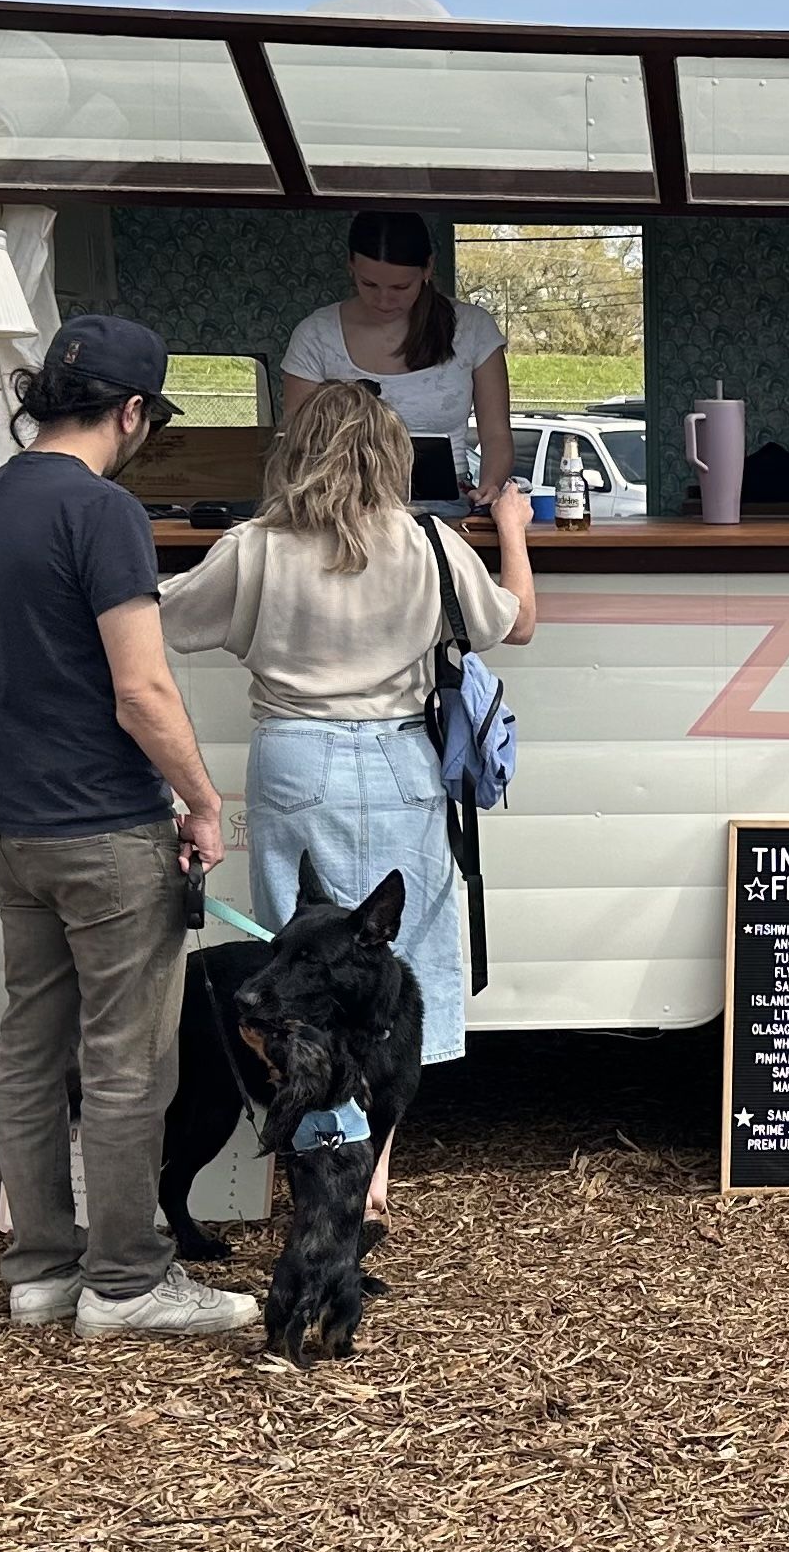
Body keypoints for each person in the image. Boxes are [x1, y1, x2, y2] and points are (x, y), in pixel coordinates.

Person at [0, 314, 255, 1342]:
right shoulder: (104, 512)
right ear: (131, 412)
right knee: (130, 1064)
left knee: (32, 1051)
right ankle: (126, 1281)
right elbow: (142, 690)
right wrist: (203, 802)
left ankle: (40, 1269)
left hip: (10, 826)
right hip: (105, 828)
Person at [162, 381, 536, 1076]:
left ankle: (325, 1124)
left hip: (295, 754)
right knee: (397, 950)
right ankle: (380, 1133)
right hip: (402, 758)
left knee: (299, 959)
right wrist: (511, 527)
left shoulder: (254, 546)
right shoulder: (430, 541)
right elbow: (517, 624)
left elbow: (160, 619)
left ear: (295, 452)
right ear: (393, 456)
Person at [275, 210, 511, 515]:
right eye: (369, 284)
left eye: (401, 287)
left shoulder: (473, 327)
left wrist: (489, 487)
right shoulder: (315, 334)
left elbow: (496, 435)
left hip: (443, 504)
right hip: (341, 504)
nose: (384, 300)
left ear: (428, 269)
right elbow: (297, 440)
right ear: (350, 266)